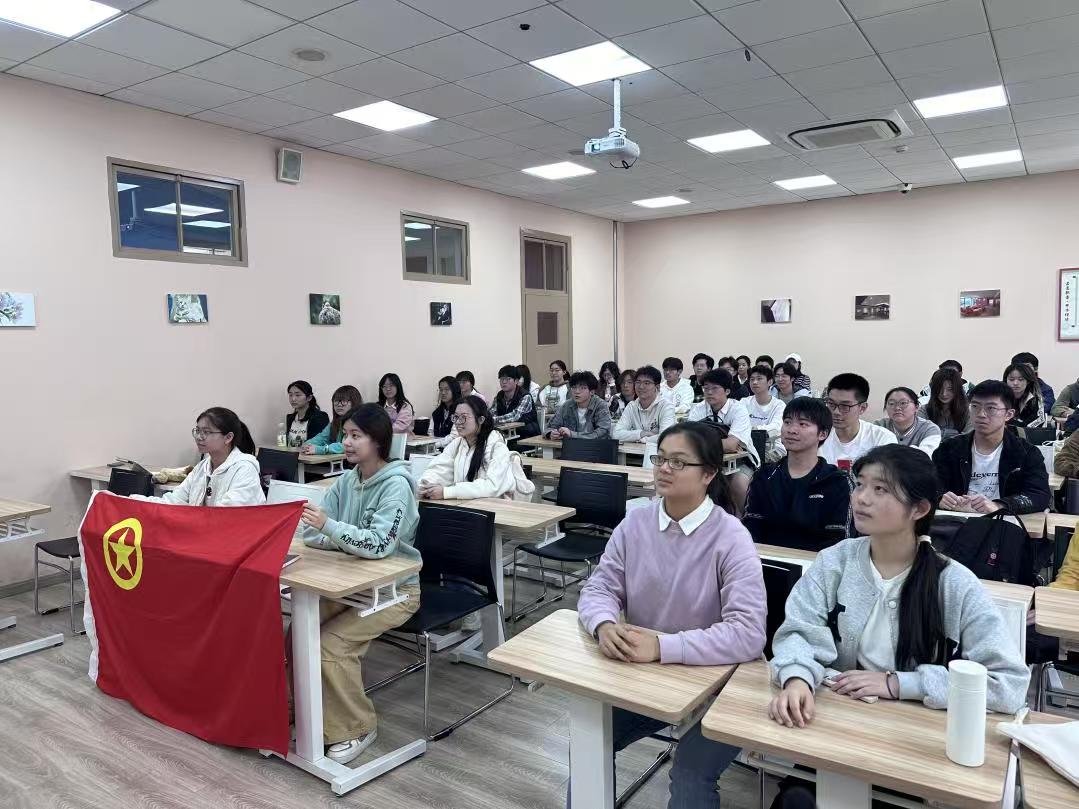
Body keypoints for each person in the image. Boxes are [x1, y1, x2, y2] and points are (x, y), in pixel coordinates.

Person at [767, 445, 1029, 733]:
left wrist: (900, 683)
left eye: (880, 489)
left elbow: (1009, 684)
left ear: (919, 509)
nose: (861, 498)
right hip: (837, 720)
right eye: (860, 485)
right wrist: (797, 678)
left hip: (920, 734)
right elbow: (799, 632)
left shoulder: (954, 583)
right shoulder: (834, 561)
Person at [576, 421, 767, 809]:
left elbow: (748, 634)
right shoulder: (636, 523)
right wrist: (604, 624)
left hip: (724, 683)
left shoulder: (731, 537)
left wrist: (663, 646)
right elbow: (599, 588)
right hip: (657, 676)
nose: (664, 468)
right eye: (660, 458)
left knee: (690, 773)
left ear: (708, 473)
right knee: (588, 740)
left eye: (678, 462)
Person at [299, 404, 422, 764]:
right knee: (300, 631)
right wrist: (338, 535)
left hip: (396, 590)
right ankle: (300, 708)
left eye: (356, 436)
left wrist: (332, 530)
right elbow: (310, 532)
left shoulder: (396, 486)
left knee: (330, 644)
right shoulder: (347, 480)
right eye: (345, 435)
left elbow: (379, 545)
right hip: (351, 584)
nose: (347, 443)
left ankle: (356, 726)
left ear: (378, 440)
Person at [744, 398, 852, 551]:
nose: (791, 430)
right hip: (766, 559)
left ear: (822, 434)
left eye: (803, 424)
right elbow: (751, 528)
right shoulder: (764, 476)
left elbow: (839, 541)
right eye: (787, 422)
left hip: (816, 562)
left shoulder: (837, 482)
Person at [934, 380, 1050, 515]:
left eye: (991, 408)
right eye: (975, 406)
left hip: (1003, 521)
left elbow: (1039, 495)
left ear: (1008, 414)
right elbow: (928, 487)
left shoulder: (1026, 453)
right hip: (955, 519)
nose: (981, 414)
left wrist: (998, 505)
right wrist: (939, 498)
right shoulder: (948, 449)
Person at [135, 407, 264, 506]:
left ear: (228, 437)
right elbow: (173, 502)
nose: (199, 437)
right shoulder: (202, 468)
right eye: (197, 431)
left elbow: (228, 514)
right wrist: (131, 500)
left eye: (206, 432)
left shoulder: (245, 469)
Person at [418, 396, 535, 502]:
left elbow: (492, 486)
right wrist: (425, 485)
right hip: (465, 506)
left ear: (481, 420)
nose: (458, 422)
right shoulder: (458, 444)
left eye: (464, 417)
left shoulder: (496, 445)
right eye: (455, 417)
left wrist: (447, 492)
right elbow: (438, 469)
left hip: (494, 509)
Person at [688, 369, 757, 512]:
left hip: (741, 461)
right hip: (706, 460)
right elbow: (689, 441)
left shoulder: (738, 410)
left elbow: (731, 445)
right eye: (706, 388)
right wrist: (723, 444)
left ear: (727, 391)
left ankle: (745, 520)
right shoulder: (698, 409)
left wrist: (702, 444)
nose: (709, 392)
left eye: (714, 388)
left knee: (738, 484)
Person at [818, 373, 896, 466]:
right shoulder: (816, 435)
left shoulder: (882, 439)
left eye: (845, 406)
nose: (836, 412)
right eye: (831, 404)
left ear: (862, 408)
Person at [612, 365, 676, 443]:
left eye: (647, 383)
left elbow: (666, 437)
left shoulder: (666, 406)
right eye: (638, 382)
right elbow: (616, 434)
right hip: (635, 449)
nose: (641, 387)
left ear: (657, 387)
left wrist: (642, 440)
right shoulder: (632, 406)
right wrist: (642, 433)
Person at [874, 386, 941, 457]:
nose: (897, 408)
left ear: (916, 407)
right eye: (891, 403)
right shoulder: (878, 426)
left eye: (903, 403)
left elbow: (924, 456)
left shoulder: (929, 429)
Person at [546, 370, 612, 440]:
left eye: (582, 388)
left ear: (592, 392)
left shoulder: (600, 405)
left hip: (595, 446)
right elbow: (549, 427)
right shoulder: (567, 405)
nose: (577, 392)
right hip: (571, 446)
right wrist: (551, 433)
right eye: (574, 387)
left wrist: (572, 434)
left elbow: (603, 432)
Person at [302, 385, 364, 457]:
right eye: (336, 401)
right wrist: (307, 445)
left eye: (343, 401)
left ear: (354, 402)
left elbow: (347, 445)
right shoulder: (336, 422)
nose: (339, 405)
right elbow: (322, 438)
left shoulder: (361, 421)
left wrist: (322, 449)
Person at [917, 367, 970, 440]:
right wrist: (954, 433)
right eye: (940, 388)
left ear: (957, 390)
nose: (944, 394)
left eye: (950, 389)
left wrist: (935, 433)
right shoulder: (924, 410)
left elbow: (968, 438)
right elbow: (920, 434)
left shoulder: (968, 411)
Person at [491, 364, 540, 439]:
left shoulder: (525, 396)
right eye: (501, 379)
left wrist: (494, 420)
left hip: (527, 435)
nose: (504, 382)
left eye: (508, 379)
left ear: (516, 381)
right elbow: (491, 412)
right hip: (508, 434)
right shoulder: (499, 396)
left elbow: (515, 416)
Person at [745, 364, 785, 443]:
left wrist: (755, 429)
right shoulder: (744, 402)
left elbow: (776, 428)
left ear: (770, 382)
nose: (755, 382)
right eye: (752, 379)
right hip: (747, 443)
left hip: (772, 445)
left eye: (759, 379)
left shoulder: (779, 405)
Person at [1004, 362, 1049, 428]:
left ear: (1028, 381)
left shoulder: (1035, 400)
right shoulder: (999, 397)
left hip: (1027, 432)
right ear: (1006, 380)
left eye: (1020, 379)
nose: (1015, 383)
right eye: (1011, 379)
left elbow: (1038, 422)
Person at [286, 380, 330, 448]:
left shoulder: (320, 417)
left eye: (298, 395)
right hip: (290, 454)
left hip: (309, 454)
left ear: (309, 397)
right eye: (290, 395)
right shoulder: (290, 418)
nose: (293, 399)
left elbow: (320, 443)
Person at [428, 376, 461, 449]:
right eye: (441, 389)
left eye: (447, 389)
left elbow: (454, 436)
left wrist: (435, 445)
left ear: (454, 390)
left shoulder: (460, 410)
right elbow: (430, 432)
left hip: (453, 450)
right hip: (436, 449)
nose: (443, 393)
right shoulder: (437, 412)